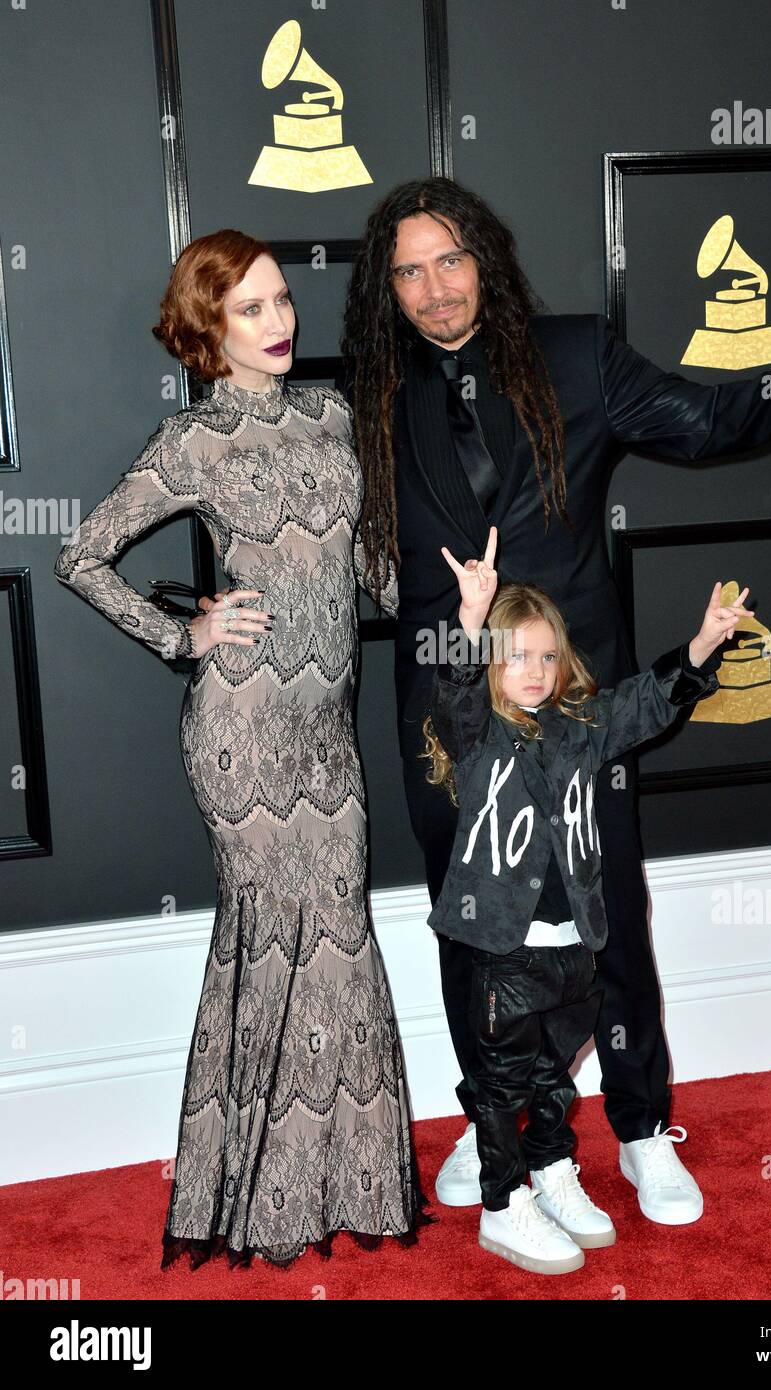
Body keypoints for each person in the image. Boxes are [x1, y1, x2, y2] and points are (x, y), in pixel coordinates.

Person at [341, 176, 771, 1219]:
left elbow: (711, 422)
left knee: (606, 923)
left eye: (449, 260)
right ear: (387, 290)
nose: (433, 288)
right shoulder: (372, 400)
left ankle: (640, 1127)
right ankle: (496, 1118)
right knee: (472, 924)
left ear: (485, 261)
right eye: (408, 271)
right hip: (445, 714)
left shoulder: (575, 355)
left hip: (577, 698)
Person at [53, 228, 432, 1269]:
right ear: (206, 332)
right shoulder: (192, 445)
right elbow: (79, 556)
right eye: (251, 309)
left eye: (280, 301)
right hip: (242, 729)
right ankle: (256, 1195)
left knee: (341, 934)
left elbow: (373, 566)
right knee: (270, 940)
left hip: (326, 729)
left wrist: (448, 599)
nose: (280, 322)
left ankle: (348, 1178)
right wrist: (186, 635)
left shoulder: (332, 414)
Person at [421, 525, 745, 1273]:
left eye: (543, 656)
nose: (531, 671)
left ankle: (554, 1172)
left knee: (551, 1081)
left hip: (575, 951)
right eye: (514, 658)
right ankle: (504, 1206)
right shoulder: (477, 738)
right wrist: (470, 626)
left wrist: (700, 646)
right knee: (502, 1089)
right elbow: (457, 695)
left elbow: (647, 703)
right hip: (503, 950)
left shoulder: (582, 727)